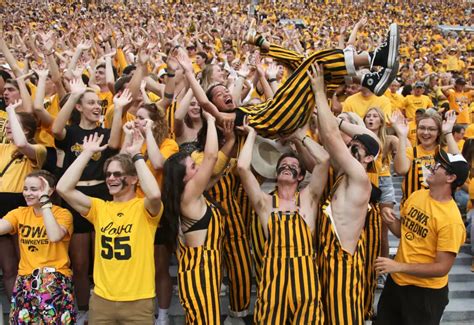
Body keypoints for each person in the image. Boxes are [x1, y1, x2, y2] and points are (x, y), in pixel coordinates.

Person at [176, 23, 400, 139]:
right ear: (214, 104)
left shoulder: (242, 109)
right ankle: (373, 60)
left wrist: (262, 73)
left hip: (288, 113)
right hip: (283, 116)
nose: (226, 93)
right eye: (219, 94)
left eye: (225, 90)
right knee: (314, 62)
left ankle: (369, 79)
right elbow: (205, 104)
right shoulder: (227, 118)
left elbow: (240, 93)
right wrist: (188, 71)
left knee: (308, 64)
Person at [56, 132, 163, 324]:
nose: (111, 178)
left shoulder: (143, 208)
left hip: (138, 301)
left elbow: (155, 195)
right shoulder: (100, 208)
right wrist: (86, 153)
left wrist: (137, 155)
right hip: (101, 300)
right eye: (108, 174)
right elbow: (63, 188)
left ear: (133, 179)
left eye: (117, 174)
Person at [237, 121, 329, 323]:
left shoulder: (309, 198)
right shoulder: (264, 202)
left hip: (304, 275)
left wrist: (299, 135)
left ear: (301, 176)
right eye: (283, 166)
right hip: (273, 275)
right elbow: (242, 167)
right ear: (276, 173)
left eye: (293, 166)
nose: (287, 167)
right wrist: (252, 135)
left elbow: (324, 160)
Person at [310, 63, 380, 324]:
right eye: (353, 144)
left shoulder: (360, 177)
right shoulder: (346, 172)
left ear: (369, 157)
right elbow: (325, 140)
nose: (352, 147)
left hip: (342, 263)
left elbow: (329, 135)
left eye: (358, 147)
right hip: (327, 258)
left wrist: (319, 91)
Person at [51, 78, 122, 322]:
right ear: (79, 107)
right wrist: (73, 95)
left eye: (99, 103)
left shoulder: (104, 133)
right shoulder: (70, 132)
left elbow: (114, 143)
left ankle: (105, 305)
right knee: (80, 264)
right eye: (91, 102)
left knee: (103, 258)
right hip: (74, 198)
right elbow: (55, 129)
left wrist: (119, 107)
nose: (96, 106)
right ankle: (82, 310)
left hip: (102, 196)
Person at [375, 148, 469, 325]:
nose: (433, 167)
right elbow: (403, 233)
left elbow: (442, 268)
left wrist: (399, 266)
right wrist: (389, 220)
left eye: (440, 165)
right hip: (397, 283)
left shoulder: (451, 220)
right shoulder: (417, 195)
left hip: (425, 293)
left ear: (450, 178)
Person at [162, 111, 223, 324]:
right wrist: (211, 120)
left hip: (204, 271)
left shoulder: (191, 194)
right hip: (200, 272)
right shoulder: (188, 195)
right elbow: (212, 157)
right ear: (184, 177)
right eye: (193, 167)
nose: (198, 167)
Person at [0, 170, 75, 324]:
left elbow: (54, 236)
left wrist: (45, 202)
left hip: (54, 279)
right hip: (25, 280)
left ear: (50, 190)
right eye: (26, 189)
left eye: (34, 189)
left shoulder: (63, 214)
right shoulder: (19, 213)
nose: (27, 193)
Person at [0, 100, 46, 300]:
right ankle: (17, 311)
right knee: (8, 268)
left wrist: (10, 109)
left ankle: (34, 305)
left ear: (26, 130)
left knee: (26, 264)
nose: (7, 126)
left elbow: (20, 144)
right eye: (7, 123)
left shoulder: (39, 149)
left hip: (21, 203)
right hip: (1, 204)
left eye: (13, 123)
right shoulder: (2, 148)